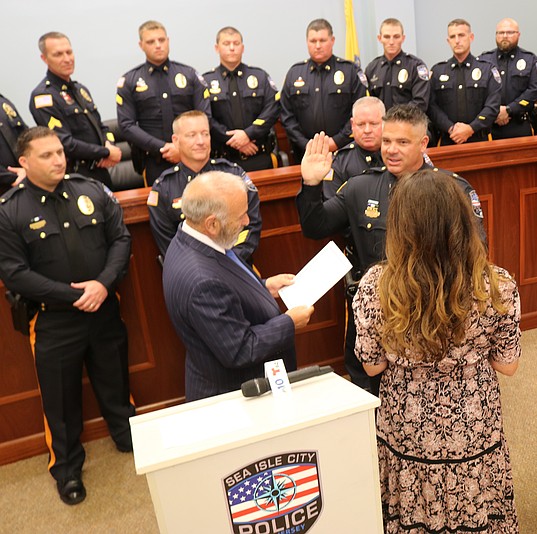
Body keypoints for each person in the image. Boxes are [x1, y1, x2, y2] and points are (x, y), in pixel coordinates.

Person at [353, 169, 520, 532]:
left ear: (397, 225)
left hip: (407, 421)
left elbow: (371, 367)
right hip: (473, 421)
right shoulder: (498, 285)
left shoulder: (374, 287)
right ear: (462, 220)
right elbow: (508, 365)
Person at [296, 103, 485, 395]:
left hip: (431, 314)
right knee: (368, 392)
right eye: (387, 141)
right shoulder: (360, 187)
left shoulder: (452, 190)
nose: (391, 149)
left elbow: (475, 252)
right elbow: (315, 227)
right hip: (376, 315)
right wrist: (310, 184)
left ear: (423, 143)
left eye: (402, 142)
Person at [0, 127, 135, 506]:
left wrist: (103, 285)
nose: (58, 159)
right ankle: (67, 469)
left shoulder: (89, 189)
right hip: (54, 320)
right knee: (60, 401)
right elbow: (14, 273)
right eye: (46, 155)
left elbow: (121, 239)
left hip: (104, 308)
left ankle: (129, 439)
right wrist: (73, 295)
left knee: (115, 380)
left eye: (59, 151)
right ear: (24, 162)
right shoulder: (10, 211)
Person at [161, 171, 314, 402]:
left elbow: (226, 286)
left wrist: (263, 286)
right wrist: (289, 322)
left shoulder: (192, 237)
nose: (247, 222)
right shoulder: (202, 281)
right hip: (236, 395)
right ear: (211, 223)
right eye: (240, 216)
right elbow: (241, 349)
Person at [147, 110, 262, 264]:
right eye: (191, 135)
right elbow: (170, 246)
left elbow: (251, 226)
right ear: (176, 140)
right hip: (195, 274)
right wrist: (206, 268)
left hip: (238, 264)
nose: (200, 141)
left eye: (205, 134)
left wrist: (229, 261)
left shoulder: (234, 174)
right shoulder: (164, 189)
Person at [116, 20, 211, 185]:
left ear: (168, 41)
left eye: (161, 40)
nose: (158, 45)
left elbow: (205, 116)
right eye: (151, 42)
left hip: (194, 158)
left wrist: (182, 150)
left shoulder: (189, 75)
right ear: (141, 45)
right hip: (155, 162)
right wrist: (164, 148)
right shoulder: (129, 81)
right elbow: (126, 125)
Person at [29, 32, 121, 189]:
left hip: (101, 172)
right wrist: (105, 152)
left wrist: (110, 145)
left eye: (69, 52)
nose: (67, 59)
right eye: (58, 54)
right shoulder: (43, 97)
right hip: (75, 177)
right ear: (44, 59)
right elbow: (64, 143)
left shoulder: (80, 90)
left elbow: (102, 127)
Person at [280, 19, 368, 162]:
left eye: (322, 40)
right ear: (307, 42)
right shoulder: (294, 73)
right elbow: (286, 115)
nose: (318, 46)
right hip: (305, 152)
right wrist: (306, 144)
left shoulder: (350, 71)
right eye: (313, 41)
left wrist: (336, 142)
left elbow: (360, 112)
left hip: (345, 151)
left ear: (332, 40)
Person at [204, 26, 280, 172]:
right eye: (226, 44)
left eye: (236, 43)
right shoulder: (206, 81)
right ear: (216, 48)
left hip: (259, 156)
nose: (232, 48)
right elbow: (206, 118)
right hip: (223, 161)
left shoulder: (260, 76)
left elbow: (272, 108)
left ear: (242, 47)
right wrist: (234, 141)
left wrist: (248, 134)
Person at [428, 19, 502, 145]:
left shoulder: (487, 69)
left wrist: (471, 128)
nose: (457, 40)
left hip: (480, 139)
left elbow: (493, 106)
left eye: (461, 35)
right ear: (448, 41)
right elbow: (432, 107)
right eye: (453, 36)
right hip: (448, 139)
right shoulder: (438, 71)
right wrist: (451, 128)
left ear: (471, 37)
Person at [478, 18, 537, 138]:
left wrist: (509, 109)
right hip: (489, 127)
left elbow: (535, 90)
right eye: (501, 33)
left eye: (510, 32)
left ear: (518, 35)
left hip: (519, 126)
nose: (505, 36)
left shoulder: (531, 60)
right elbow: (477, 92)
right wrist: (495, 112)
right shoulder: (483, 60)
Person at [323, 96, 384, 200]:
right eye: (361, 124)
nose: (367, 130)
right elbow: (332, 207)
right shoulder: (339, 162)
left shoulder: (397, 155)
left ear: (385, 122)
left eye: (374, 124)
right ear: (352, 125)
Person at [364, 18, 430, 114]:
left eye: (396, 37)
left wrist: (394, 120)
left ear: (403, 38)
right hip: (380, 126)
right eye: (386, 37)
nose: (391, 42)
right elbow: (368, 102)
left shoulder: (415, 66)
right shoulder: (372, 68)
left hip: (408, 125)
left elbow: (421, 103)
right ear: (379, 38)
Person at [0, 92, 27, 192]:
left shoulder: (3, 103)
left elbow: (27, 137)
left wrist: (30, 168)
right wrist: (12, 177)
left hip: (23, 183)